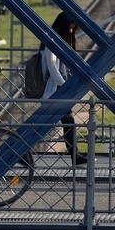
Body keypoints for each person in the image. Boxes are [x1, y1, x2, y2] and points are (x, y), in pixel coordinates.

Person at [39, 11, 86, 164]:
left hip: (59, 90)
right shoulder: (52, 43)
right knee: (44, 124)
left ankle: (74, 156)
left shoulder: (58, 42)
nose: (72, 31)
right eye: (70, 28)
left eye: (73, 28)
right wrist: (65, 86)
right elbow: (53, 69)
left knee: (63, 122)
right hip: (55, 91)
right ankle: (19, 151)